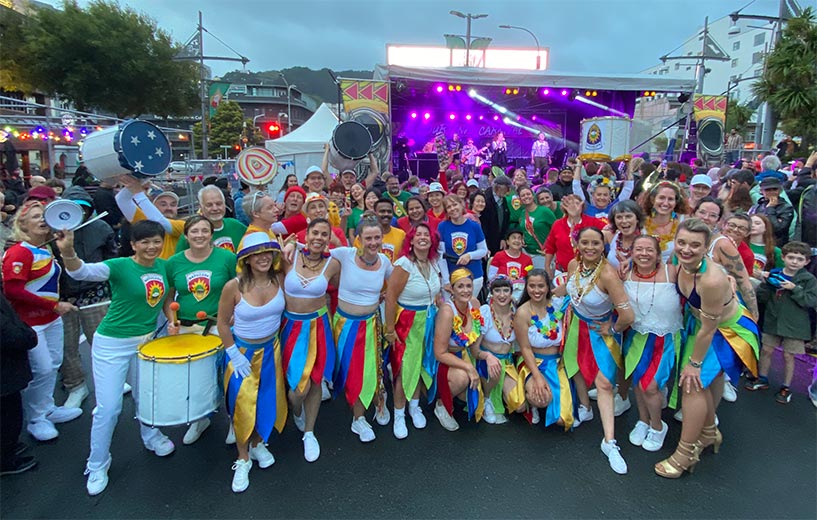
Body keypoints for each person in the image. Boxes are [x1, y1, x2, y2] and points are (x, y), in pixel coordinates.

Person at [57, 220, 176, 495]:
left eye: (156, 241)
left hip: (146, 343)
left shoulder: (164, 266)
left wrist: (171, 320)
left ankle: (151, 435)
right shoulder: (120, 266)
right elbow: (81, 272)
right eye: (144, 242)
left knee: (146, 396)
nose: (151, 246)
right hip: (112, 344)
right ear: (133, 244)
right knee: (109, 408)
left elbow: (168, 296)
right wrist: (68, 252)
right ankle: (97, 463)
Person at [658, 218, 759, 478]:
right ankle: (708, 433)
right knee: (709, 383)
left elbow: (710, 329)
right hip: (701, 324)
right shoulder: (679, 262)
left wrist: (694, 364)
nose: (686, 249)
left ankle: (685, 453)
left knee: (692, 384)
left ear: (706, 248)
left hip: (727, 332)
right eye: (681, 243)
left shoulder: (712, 280)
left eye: (695, 245)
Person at [2, 201, 82, 443]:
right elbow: (12, 290)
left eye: (44, 216)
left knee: (53, 364)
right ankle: (36, 418)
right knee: (43, 368)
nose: (42, 220)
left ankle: (47, 408)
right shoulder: (20, 251)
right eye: (35, 217)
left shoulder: (46, 248)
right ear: (22, 223)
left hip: (51, 320)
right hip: (30, 322)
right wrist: (53, 305)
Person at [559, 226, 634, 474]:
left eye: (596, 244)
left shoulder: (608, 276)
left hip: (600, 332)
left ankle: (609, 442)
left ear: (604, 246)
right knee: (575, 365)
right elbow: (572, 293)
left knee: (603, 384)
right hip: (575, 325)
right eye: (585, 243)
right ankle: (585, 407)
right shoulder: (573, 265)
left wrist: (611, 329)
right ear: (577, 245)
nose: (590, 248)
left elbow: (627, 315)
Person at [215, 232, 286, 493]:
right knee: (242, 404)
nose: (263, 257)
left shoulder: (279, 278)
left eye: (268, 252)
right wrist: (233, 354)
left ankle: (257, 443)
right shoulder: (233, 286)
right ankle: (242, 458)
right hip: (242, 353)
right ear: (246, 258)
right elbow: (222, 323)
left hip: (272, 350)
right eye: (257, 253)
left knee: (267, 399)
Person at [164, 216, 237, 444]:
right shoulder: (173, 262)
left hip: (219, 326)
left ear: (211, 234)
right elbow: (169, 298)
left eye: (205, 230)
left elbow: (240, 288)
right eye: (194, 231)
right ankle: (199, 419)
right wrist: (171, 320)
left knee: (227, 376)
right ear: (186, 235)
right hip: (187, 329)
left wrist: (236, 313)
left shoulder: (226, 258)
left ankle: (235, 422)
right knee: (194, 379)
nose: (199, 235)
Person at [280, 218, 340, 461]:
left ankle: (309, 432)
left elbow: (338, 287)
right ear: (306, 233)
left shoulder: (333, 264)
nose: (319, 238)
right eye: (315, 232)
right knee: (297, 389)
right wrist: (286, 245)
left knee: (315, 381)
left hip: (318, 326)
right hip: (290, 327)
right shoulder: (288, 257)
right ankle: (295, 409)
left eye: (324, 234)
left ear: (328, 239)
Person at [329, 217, 392, 442]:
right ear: (359, 239)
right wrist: (289, 245)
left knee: (375, 368)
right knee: (353, 370)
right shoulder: (345, 254)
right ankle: (359, 418)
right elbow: (311, 248)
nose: (373, 242)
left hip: (372, 323)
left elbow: (398, 285)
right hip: (346, 325)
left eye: (377, 237)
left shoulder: (385, 262)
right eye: (368, 238)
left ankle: (374, 404)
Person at [622, 236, 682, 452]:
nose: (644, 253)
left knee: (651, 386)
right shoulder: (625, 273)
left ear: (658, 254)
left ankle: (658, 426)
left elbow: (699, 280)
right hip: (638, 337)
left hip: (665, 338)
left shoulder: (672, 272)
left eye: (649, 250)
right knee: (639, 383)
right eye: (639, 249)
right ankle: (643, 420)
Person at [59, 186, 117, 410]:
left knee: (102, 341)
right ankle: (75, 385)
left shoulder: (100, 227)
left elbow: (112, 257)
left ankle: (111, 382)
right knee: (68, 344)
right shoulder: (54, 230)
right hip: (64, 296)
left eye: (84, 208)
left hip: (96, 293)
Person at [383, 223, 442, 439]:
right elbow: (390, 298)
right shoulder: (404, 264)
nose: (423, 238)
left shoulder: (434, 262)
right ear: (412, 239)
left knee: (420, 364)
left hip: (429, 320)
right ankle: (398, 414)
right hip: (408, 322)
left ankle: (414, 406)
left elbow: (435, 292)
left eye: (427, 234)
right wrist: (390, 329)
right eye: (419, 234)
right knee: (404, 367)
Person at [747, 241, 817, 403]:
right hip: (773, 320)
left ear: (806, 262)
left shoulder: (808, 280)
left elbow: (810, 301)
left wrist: (795, 289)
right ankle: (762, 377)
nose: (794, 262)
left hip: (795, 325)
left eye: (800, 259)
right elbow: (762, 298)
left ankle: (786, 386)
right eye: (791, 257)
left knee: (788, 355)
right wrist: (767, 285)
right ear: (783, 257)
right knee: (766, 350)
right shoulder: (775, 273)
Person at [514, 269, 575, 429]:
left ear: (548, 286)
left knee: (563, 420)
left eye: (541, 286)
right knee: (541, 398)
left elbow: (576, 283)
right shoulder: (522, 313)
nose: (536, 290)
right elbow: (525, 348)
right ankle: (531, 400)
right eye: (531, 286)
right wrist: (537, 376)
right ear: (526, 287)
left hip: (556, 364)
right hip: (533, 363)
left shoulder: (557, 304)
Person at [432, 268, 485, 431]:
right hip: (446, 359)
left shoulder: (474, 304)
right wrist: (468, 367)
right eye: (460, 286)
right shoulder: (447, 312)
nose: (466, 290)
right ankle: (441, 405)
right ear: (452, 289)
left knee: (489, 368)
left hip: (467, 354)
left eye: (469, 286)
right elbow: (439, 353)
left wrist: (482, 357)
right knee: (463, 379)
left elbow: (476, 336)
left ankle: (489, 402)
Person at [693, 197, 759, 319]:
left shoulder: (723, 245)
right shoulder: (684, 237)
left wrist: (754, 316)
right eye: (702, 212)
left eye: (712, 215)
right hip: (691, 307)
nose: (706, 217)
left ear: (718, 220)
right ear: (694, 213)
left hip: (719, 312)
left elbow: (744, 282)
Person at [0, 291, 39, 476]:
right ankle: (5, 459)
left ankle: (9, 446)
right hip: (4, 369)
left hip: (7, 365)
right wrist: (27, 336)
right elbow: (7, 331)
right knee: (9, 413)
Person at [478, 277, 524, 424]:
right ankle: (486, 399)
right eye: (497, 290)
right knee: (495, 368)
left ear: (511, 293)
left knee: (520, 405)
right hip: (485, 361)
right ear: (491, 293)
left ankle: (502, 395)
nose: (502, 295)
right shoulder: (484, 312)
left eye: (506, 290)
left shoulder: (516, 312)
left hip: (507, 362)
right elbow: (474, 349)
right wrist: (488, 357)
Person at [117, 176, 184, 259]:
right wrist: (139, 181)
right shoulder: (145, 220)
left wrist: (138, 191)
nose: (169, 208)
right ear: (152, 207)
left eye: (173, 205)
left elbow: (162, 223)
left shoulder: (183, 225)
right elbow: (122, 200)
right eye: (163, 204)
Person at [437, 194, 489, 298]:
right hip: (451, 276)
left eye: (455, 204)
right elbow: (440, 256)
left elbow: (483, 250)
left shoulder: (474, 226)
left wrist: (469, 255)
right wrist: (446, 280)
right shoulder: (442, 226)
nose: (453, 209)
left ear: (462, 205)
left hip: (474, 275)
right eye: (449, 207)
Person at [543, 194, 605, 279]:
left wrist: (575, 217)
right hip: (562, 272)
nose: (573, 206)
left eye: (576, 203)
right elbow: (550, 248)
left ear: (582, 206)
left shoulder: (593, 222)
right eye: (570, 203)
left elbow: (611, 231)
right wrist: (547, 267)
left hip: (589, 272)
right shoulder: (557, 224)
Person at [176, 186, 247, 253]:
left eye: (219, 204)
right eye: (209, 205)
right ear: (201, 207)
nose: (215, 208)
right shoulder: (192, 235)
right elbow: (179, 262)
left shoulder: (237, 226)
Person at [640, 181, 687, 263]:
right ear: (652, 199)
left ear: (676, 202)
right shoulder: (640, 223)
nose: (665, 203)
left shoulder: (684, 222)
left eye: (670, 199)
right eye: (661, 198)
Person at [573, 161, 634, 225]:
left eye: (605, 195)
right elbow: (576, 187)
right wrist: (579, 165)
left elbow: (628, 188)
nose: (602, 197)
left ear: (609, 196)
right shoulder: (585, 207)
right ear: (593, 195)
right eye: (599, 194)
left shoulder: (615, 208)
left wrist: (629, 165)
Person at [514, 185, 556, 270]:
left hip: (543, 253)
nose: (526, 197)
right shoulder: (522, 213)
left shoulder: (544, 211)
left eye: (528, 194)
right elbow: (524, 230)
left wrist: (550, 249)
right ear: (520, 199)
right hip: (527, 253)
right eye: (523, 195)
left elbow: (557, 230)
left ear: (533, 195)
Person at [488, 228, 533, 302]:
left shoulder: (527, 259)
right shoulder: (498, 256)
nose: (517, 241)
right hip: (501, 292)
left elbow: (529, 279)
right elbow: (491, 277)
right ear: (508, 241)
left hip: (520, 294)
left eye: (519, 238)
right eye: (514, 238)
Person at [354, 198, 404, 263]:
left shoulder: (402, 235)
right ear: (375, 213)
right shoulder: (362, 237)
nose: (386, 214)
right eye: (382, 211)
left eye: (389, 211)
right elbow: (358, 257)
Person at [750, 177, 794, 247]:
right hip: (757, 241)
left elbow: (779, 229)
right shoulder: (758, 205)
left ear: (780, 190)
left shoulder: (786, 207)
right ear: (761, 191)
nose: (772, 192)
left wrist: (770, 208)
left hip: (776, 244)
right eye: (768, 190)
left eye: (775, 189)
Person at [604, 200, 644, 271]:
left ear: (637, 219)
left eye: (628, 216)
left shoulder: (647, 238)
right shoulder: (610, 235)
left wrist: (630, 263)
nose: (624, 221)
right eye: (619, 217)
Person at [481, 175, 512, 255]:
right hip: (486, 243)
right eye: (507, 188)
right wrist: (484, 245)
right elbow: (483, 224)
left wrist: (503, 238)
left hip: (499, 243)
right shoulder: (485, 199)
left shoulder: (503, 200)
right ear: (498, 187)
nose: (508, 191)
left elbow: (505, 221)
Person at [749, 214, 784, 281]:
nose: (752, 225)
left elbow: (781, 274)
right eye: (750, 223)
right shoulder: (739, 245)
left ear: (766, 227)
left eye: (757, 223)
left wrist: (764, 274)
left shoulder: (776, 251)